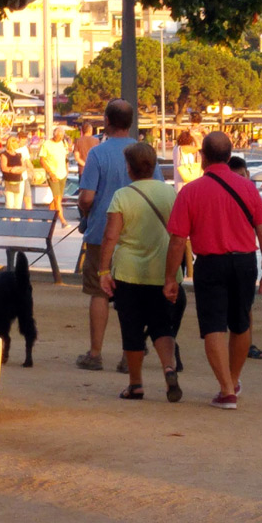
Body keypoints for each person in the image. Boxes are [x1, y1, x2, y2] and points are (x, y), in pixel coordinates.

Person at [164, 131, 262, 409]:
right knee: (240, 323)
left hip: (210, 262)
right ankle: (233, 380)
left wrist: (171, 278)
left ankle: (226, 388)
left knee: (213, 325)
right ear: (229, 156)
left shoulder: (190, 191)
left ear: (202, 157)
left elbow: (178, 240)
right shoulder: (248, 188)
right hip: (244, 261)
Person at [76, 99, 163, 371]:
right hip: (138, 235)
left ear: (106, 120)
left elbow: (86, 197)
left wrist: (86, 214)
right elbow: (157, 189)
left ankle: (95, 353)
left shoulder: (98, 154)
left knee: (98, 293)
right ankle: (130, 355)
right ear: (131, 121)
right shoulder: (144, 152)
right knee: (132, 297)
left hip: (102, 234)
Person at [98, 142, 185, 401]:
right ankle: (169, 367)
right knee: (162, 325)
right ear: (154, 166)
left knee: (132, 328)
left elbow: (111, 236)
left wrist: (103, 270)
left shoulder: (122, 196)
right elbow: (179, 234)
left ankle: (135, 384)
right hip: (164, 272)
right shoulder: (170, 194)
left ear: (129, 168)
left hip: (129, 272)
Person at [228, 155, 262, 360]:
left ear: (248, 174)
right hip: (233, 256)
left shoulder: (251, 194)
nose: (239, 181)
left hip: (245, 254)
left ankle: (247, 343)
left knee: (245, 306)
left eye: (242, 176)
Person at [40, 126, 70, 228]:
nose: (60, 137)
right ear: (54, 134)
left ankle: (48, 216)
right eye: (59, 136)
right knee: (57, 198)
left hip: (63, 173)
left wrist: (67, 168)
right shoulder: (47, 144)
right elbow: (42, 160)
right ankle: (62, 221)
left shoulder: (63, 143)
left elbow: (65, 157)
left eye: (62, 136)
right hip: (52, 174)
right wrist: (50, 172)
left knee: (58, 198)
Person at [0, 135, 26, 209]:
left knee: (18, 204)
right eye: (17, 142)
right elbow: (3, 167)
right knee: (9, 204)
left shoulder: (19, 155)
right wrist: (12, 170)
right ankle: (8, 219)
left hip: (19, 180)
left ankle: (16, 219)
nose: (18, 144)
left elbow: (23, 166)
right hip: (8, 181)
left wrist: (18, 169)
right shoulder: (4, 154)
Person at [16, 131, 34, 209]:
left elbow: (28, 161)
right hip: (16, 177)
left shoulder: (25, 149)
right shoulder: (14, 149)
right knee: (17, 200)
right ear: (19, 138)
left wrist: (33, 172)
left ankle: (30, 218)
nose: (25, 141)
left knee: (28, 198)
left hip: (24, 176)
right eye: (24, 139)